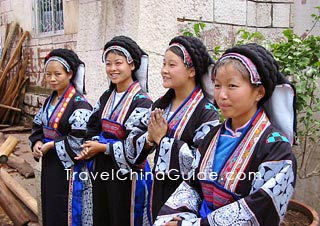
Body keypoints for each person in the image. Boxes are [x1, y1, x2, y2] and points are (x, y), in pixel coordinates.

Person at [154, 43, 297, 226]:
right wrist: (180, 217)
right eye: (217, 85)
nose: (221, 95)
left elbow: (260, 210)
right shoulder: (213, 136)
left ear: (259, 92)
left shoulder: (276, 148)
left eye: (232, 86)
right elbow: (193, 185)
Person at [120, 35, 220, 221]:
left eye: (171, 65)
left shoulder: (207, 113)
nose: (164, 71)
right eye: (164, 64)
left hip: (185, 201)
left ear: (192, 71)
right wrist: (150, 138)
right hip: (157, 190)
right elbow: (131, 145)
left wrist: (162, 141)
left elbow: (203, 165)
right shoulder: (161, 105)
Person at [75, 36, 153, 226]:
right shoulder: (106, 96)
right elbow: (92, 126)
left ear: (132, 65)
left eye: (118, 63)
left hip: (127, 175)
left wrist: (102, 147)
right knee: (102, 215)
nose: (112, 69)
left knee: (122, 218)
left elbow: (136, 144)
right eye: (108, 64)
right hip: (102, 168)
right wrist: (90, 146)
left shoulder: (142, 101)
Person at [29, 49, 93, 226]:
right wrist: (37, 142)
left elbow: (80, 140)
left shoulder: (80, 104)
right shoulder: (49, 101)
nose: (52, 79)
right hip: (50, 165)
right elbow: (37, 125)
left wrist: (52, 145)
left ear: (70, 74)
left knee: (67, 210)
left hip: (70, 170)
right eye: (48, 74)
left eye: (57, 74)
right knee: (51, 206)